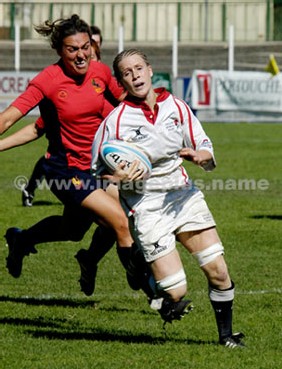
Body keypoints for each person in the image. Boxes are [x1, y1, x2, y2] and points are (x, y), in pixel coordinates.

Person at [91, 48, 245, 348]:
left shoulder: (176, 106)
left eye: (139, 68)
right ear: (121, 82)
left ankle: (227, 337)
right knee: (175, 293)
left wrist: (203, 157)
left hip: (183, 197)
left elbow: (205, 147)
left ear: (150, 70)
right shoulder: (117, 120)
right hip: (146, 206)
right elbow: (98, 170)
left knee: (219, 271)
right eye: (126, 72)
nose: (135, 75)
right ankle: (138, 264)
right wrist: (119, 177)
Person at [0, 15, 143, 299]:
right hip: (66, 171)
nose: (81, 54)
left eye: (85, 46)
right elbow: (11, 119)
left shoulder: (100, 74)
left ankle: (22, 239)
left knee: (73, 229)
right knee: (121, 221)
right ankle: (158, 294)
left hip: (98, 168)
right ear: (59, 51)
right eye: (72, 49)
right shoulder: (47, 81)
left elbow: (127, 105)